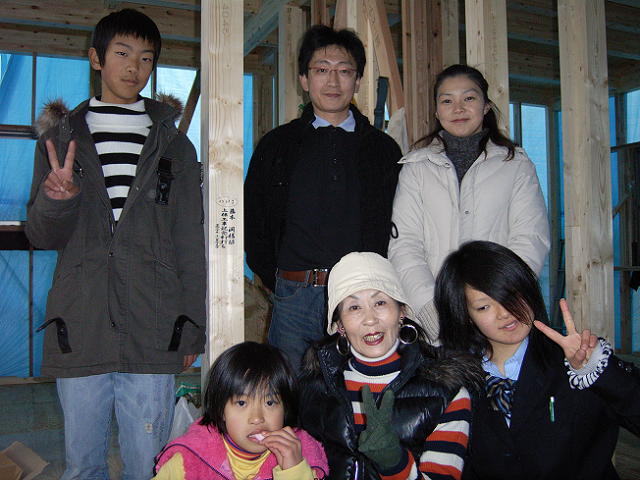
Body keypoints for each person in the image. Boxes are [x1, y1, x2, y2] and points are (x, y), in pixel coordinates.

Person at [25, 9, 206, 479]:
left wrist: (192, 325)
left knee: (148, 465)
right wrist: (56, 199)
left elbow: (190, 241)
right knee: (83, 465)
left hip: (153, 323)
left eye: (146, 58)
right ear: (96, 59)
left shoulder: (175, 146)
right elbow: (42, 235)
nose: (134, 67)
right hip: (81, 321)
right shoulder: (60, 140)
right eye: (122, 53)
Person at [244, 25, 402, 372]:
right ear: (304, 79)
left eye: (344, 71)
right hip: (294, 295)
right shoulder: (277, 145)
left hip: (361, 296)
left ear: (357, 80)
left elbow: (398, 225)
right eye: (321, 70)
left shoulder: (383, 149)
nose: (333, 81)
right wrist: (279, 281)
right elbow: (253, 221)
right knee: (292, 393)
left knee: (358, 390)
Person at [435, 240, 640, 480]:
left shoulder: (575, 364)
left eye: (510, 295)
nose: (504, 313)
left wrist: (599, 371)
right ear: (465, 315)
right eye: (484, 307)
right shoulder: (456, 381)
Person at [388, 64, 550, 343]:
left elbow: (531, 239)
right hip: (435, 321)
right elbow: (405, 245)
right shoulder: (416, 167)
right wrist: (432, 308)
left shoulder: (516, 165)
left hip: (502, 314)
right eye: (447, 101)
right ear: (437, 112)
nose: (458, 108)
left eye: (469, 98)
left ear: (486, 106)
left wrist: (496, 301)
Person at [298, 251, 483, 479]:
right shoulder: (316, 388)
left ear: (401, 312)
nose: (370, 319)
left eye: (380, 302)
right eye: (354, 307)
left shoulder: (447, 391)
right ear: (340, 325)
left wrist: (395, 463)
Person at [153, 342, 328, 479]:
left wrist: (294, 470)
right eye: (242, 403)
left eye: (270, 402)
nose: (257, 418)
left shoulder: (300, 453)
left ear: (286, 408)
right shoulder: (188, 460)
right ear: (221, 409)